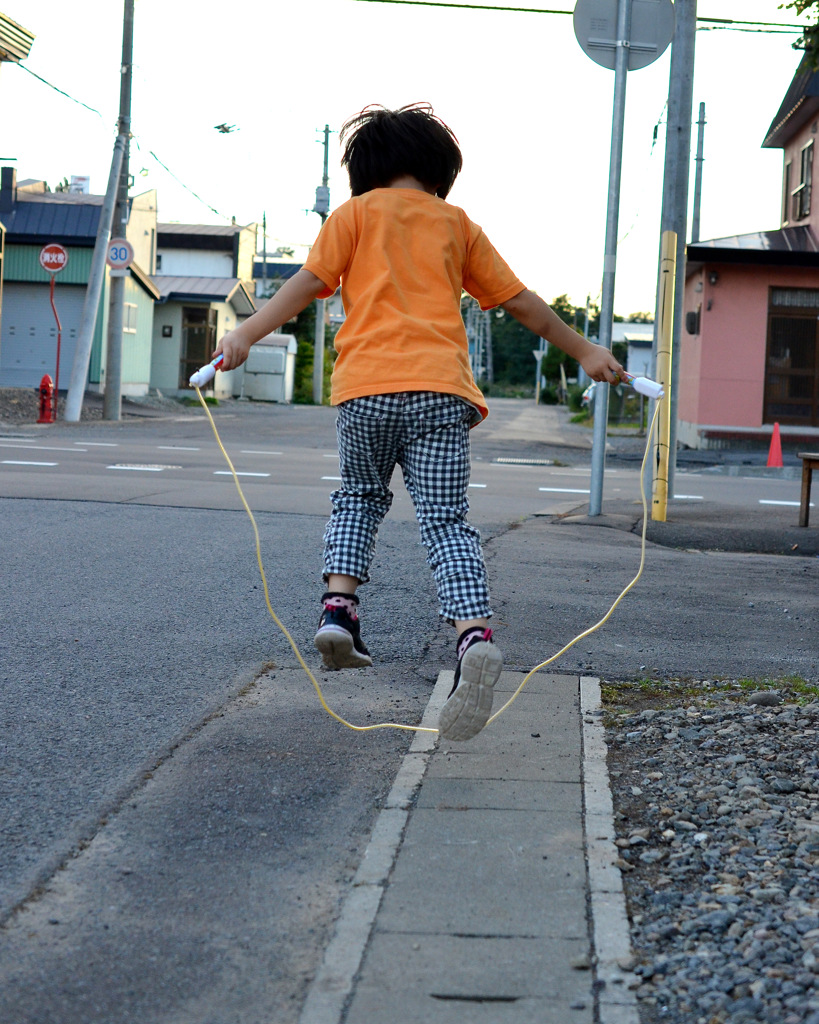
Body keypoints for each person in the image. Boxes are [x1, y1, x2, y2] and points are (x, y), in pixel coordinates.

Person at [213, 103, 623, 742]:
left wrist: (242, 335)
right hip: (440, 393)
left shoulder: (353, 216)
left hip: (367, 390)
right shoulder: (457, 224)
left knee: (357, 498)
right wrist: (588, 351)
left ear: (365, 169)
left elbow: (305, 285)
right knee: (446, 523)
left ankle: (339, 612)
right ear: (439, 168)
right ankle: (472, 636)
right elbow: (521, 304)